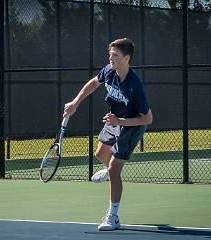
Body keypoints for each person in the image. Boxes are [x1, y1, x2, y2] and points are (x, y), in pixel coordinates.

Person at [63, 38, 153, 231]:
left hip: (132, 125)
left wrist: (120, 122)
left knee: (113, 169)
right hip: (115, 119)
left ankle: (113, 216)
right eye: (110, 54)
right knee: (101, 155)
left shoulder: (134, 86)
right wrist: (75, 103)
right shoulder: (109, 71)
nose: (110, 58)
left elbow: (147, 119)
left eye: (115, 55)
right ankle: (113, 172)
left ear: (127, 58)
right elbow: (94, 83)